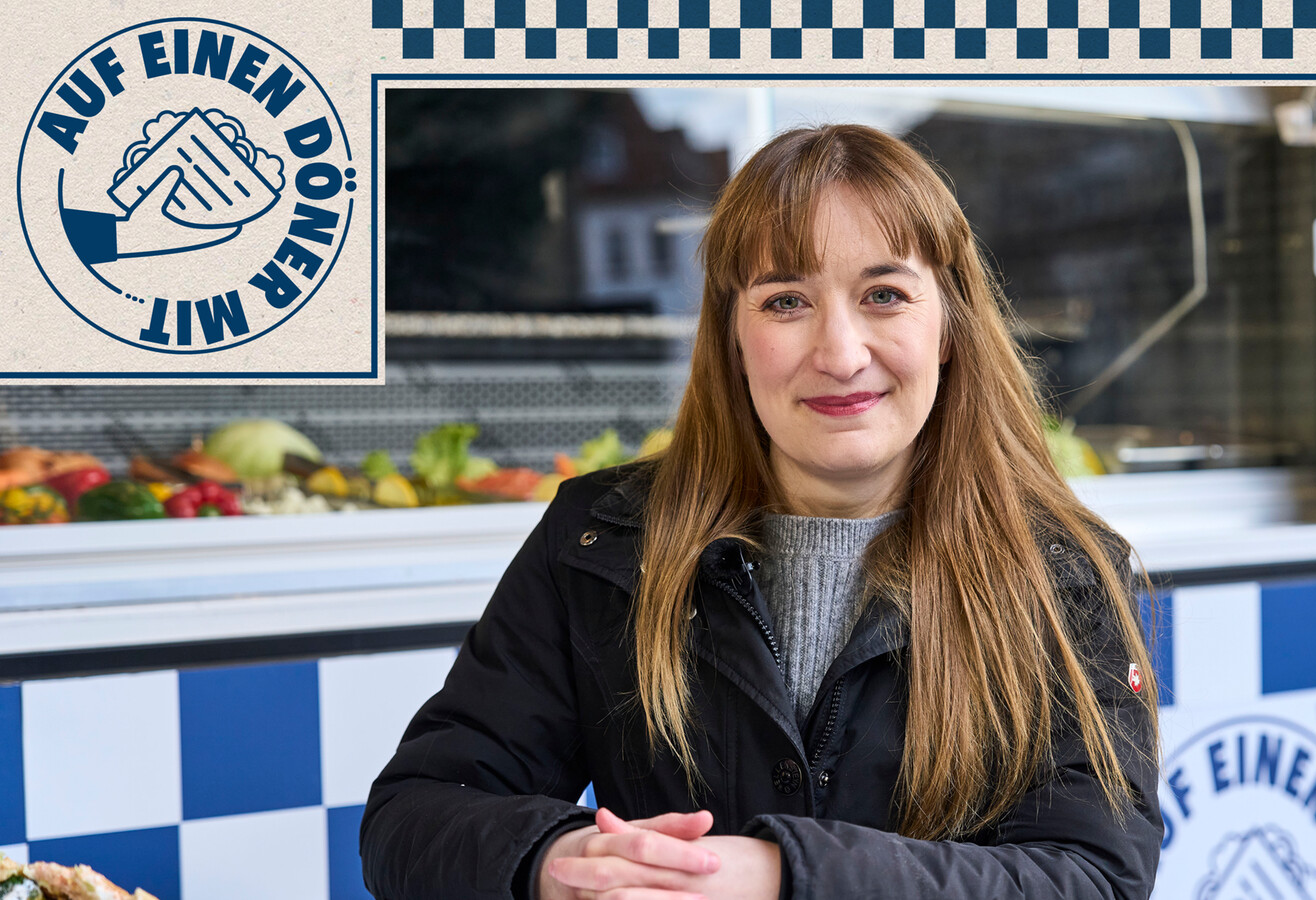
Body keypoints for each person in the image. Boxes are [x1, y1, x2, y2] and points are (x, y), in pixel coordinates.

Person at [361, 123, 1164, 900]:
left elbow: (1094, 877)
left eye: (885, 295)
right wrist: (564, 861)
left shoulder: (1066, 574)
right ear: (732, 338)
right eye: (785, 302)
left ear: (949, 325)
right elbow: (411, 818)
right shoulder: (600, 541)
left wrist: (785, 876)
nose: (840, 354)